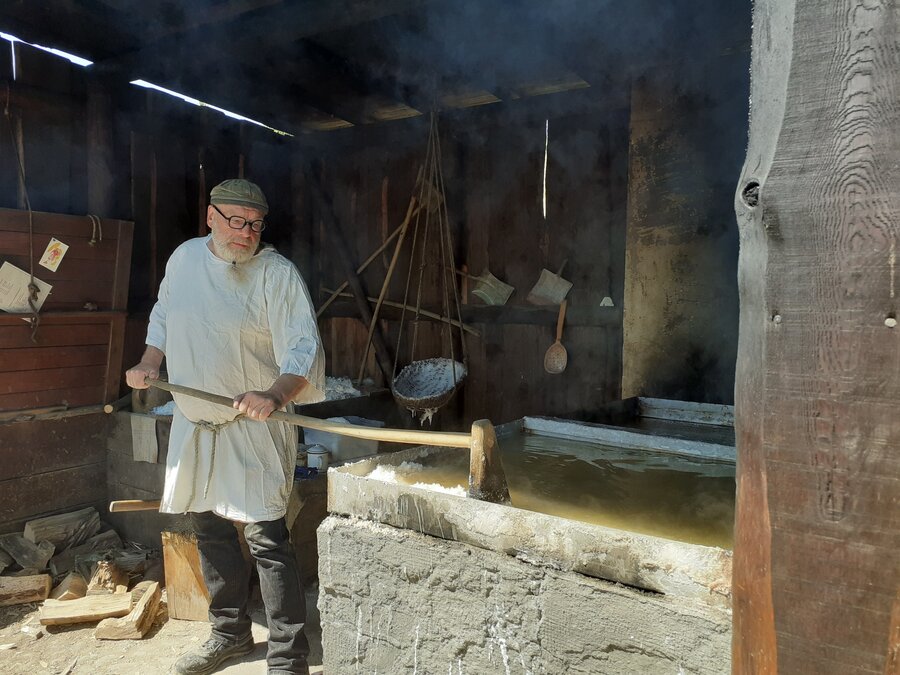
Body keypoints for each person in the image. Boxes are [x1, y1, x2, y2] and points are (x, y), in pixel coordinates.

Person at [126, 179, 325, 675]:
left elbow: (304, 348)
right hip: (197, 422)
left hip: (254, 426)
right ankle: (229, 634)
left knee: (267, 540)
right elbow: (165, 313)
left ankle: (287, 657)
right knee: (208, 527)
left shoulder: (277, 275)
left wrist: (274, 394)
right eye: (235, 220)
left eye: (255, 224)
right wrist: (151, 361)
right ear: (210, 217)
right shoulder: (185, 259)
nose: (245, 232)